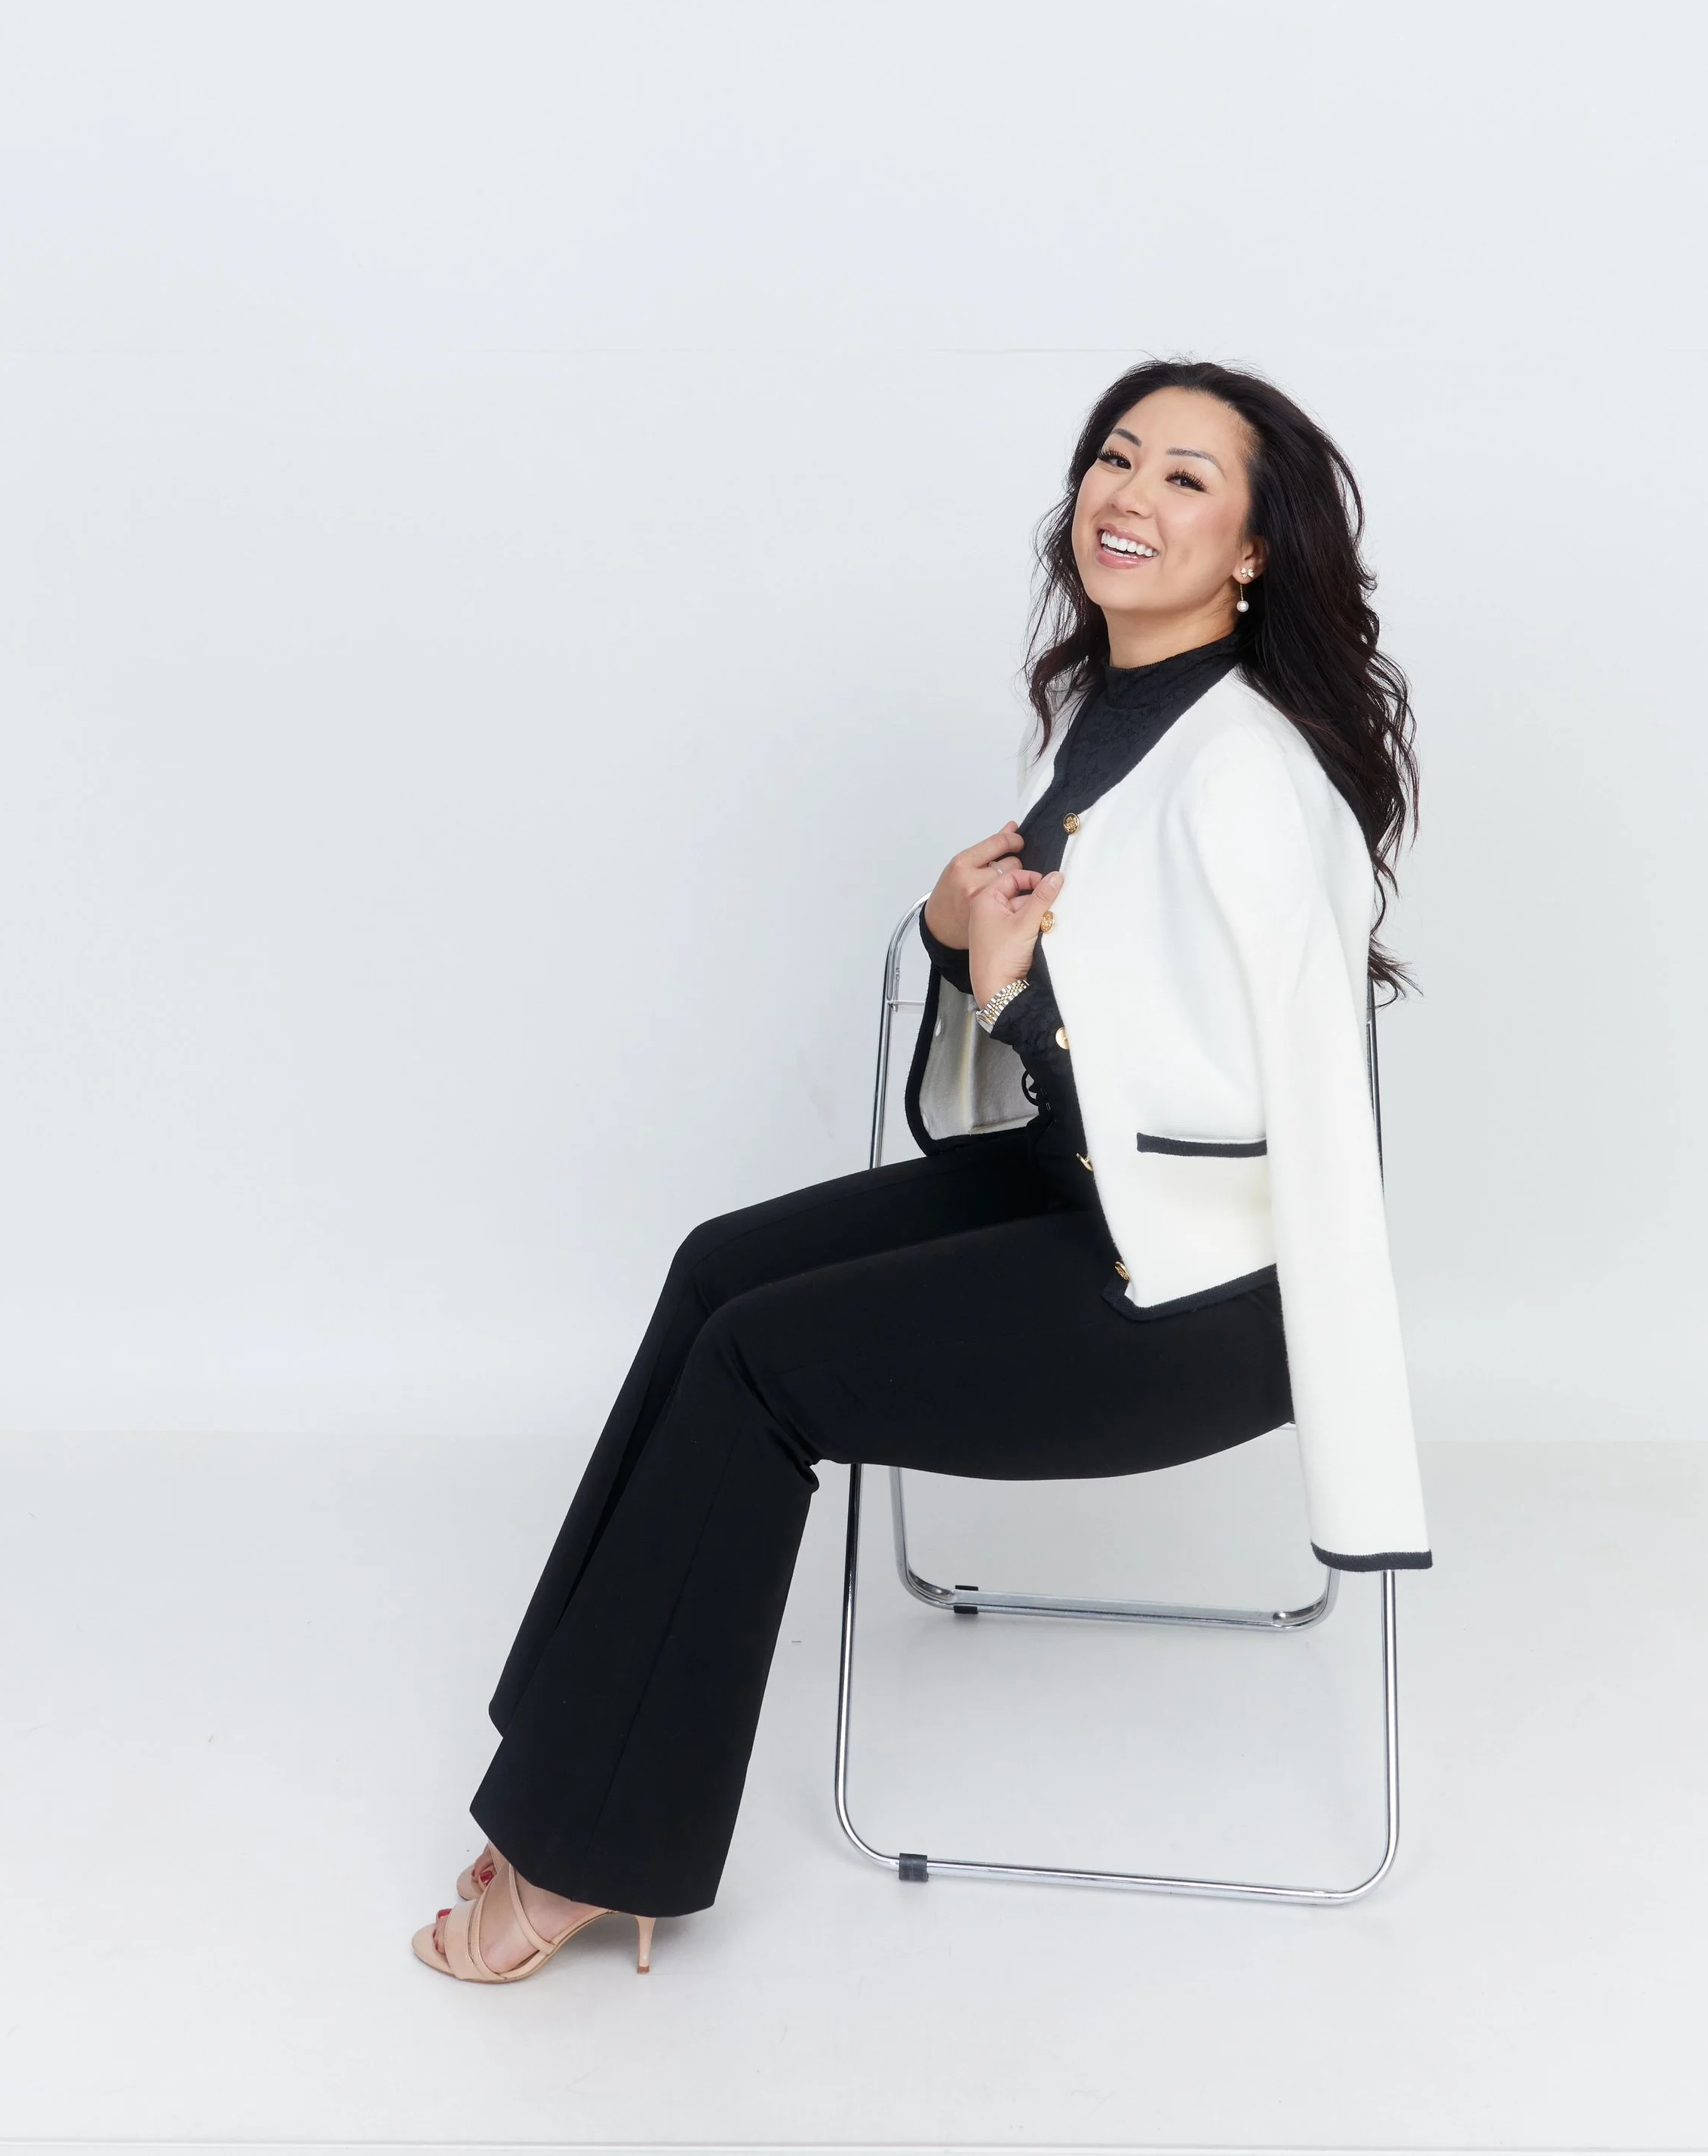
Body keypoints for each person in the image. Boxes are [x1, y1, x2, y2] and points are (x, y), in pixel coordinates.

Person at [413, 355, 1432, 1986]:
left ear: (1254, 550)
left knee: (759, 1365)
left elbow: (1267, 1104)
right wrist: (960, 938)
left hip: (1203, 1296)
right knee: (717, 1265)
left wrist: (1012, 993)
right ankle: (563, 1755)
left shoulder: (1247, 773)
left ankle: (589, 1849)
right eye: (1115, 457)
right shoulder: (1107, 712)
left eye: (1185, 477)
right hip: (1093, 1203)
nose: (1128, 495)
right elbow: (1092, 998)